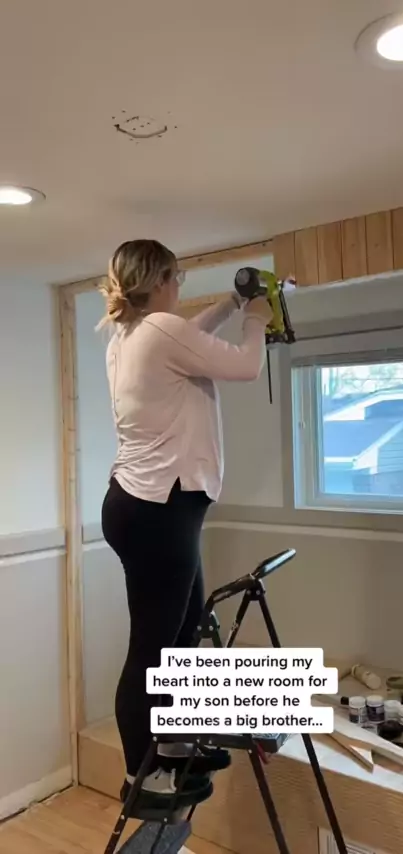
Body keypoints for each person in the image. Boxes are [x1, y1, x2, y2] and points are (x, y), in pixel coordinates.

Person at [99, 238, 272, 811]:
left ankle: (172, 745)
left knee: (185, 632)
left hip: (144, 506)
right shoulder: (159, 332)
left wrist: (230, 304)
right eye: (177, 278)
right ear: (162, 280)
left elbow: (186, 335)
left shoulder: (130, 336)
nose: (179, 288)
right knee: (154, 647)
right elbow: (246, 365)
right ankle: (139, 775)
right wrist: (256, 318)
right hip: (158, 511)